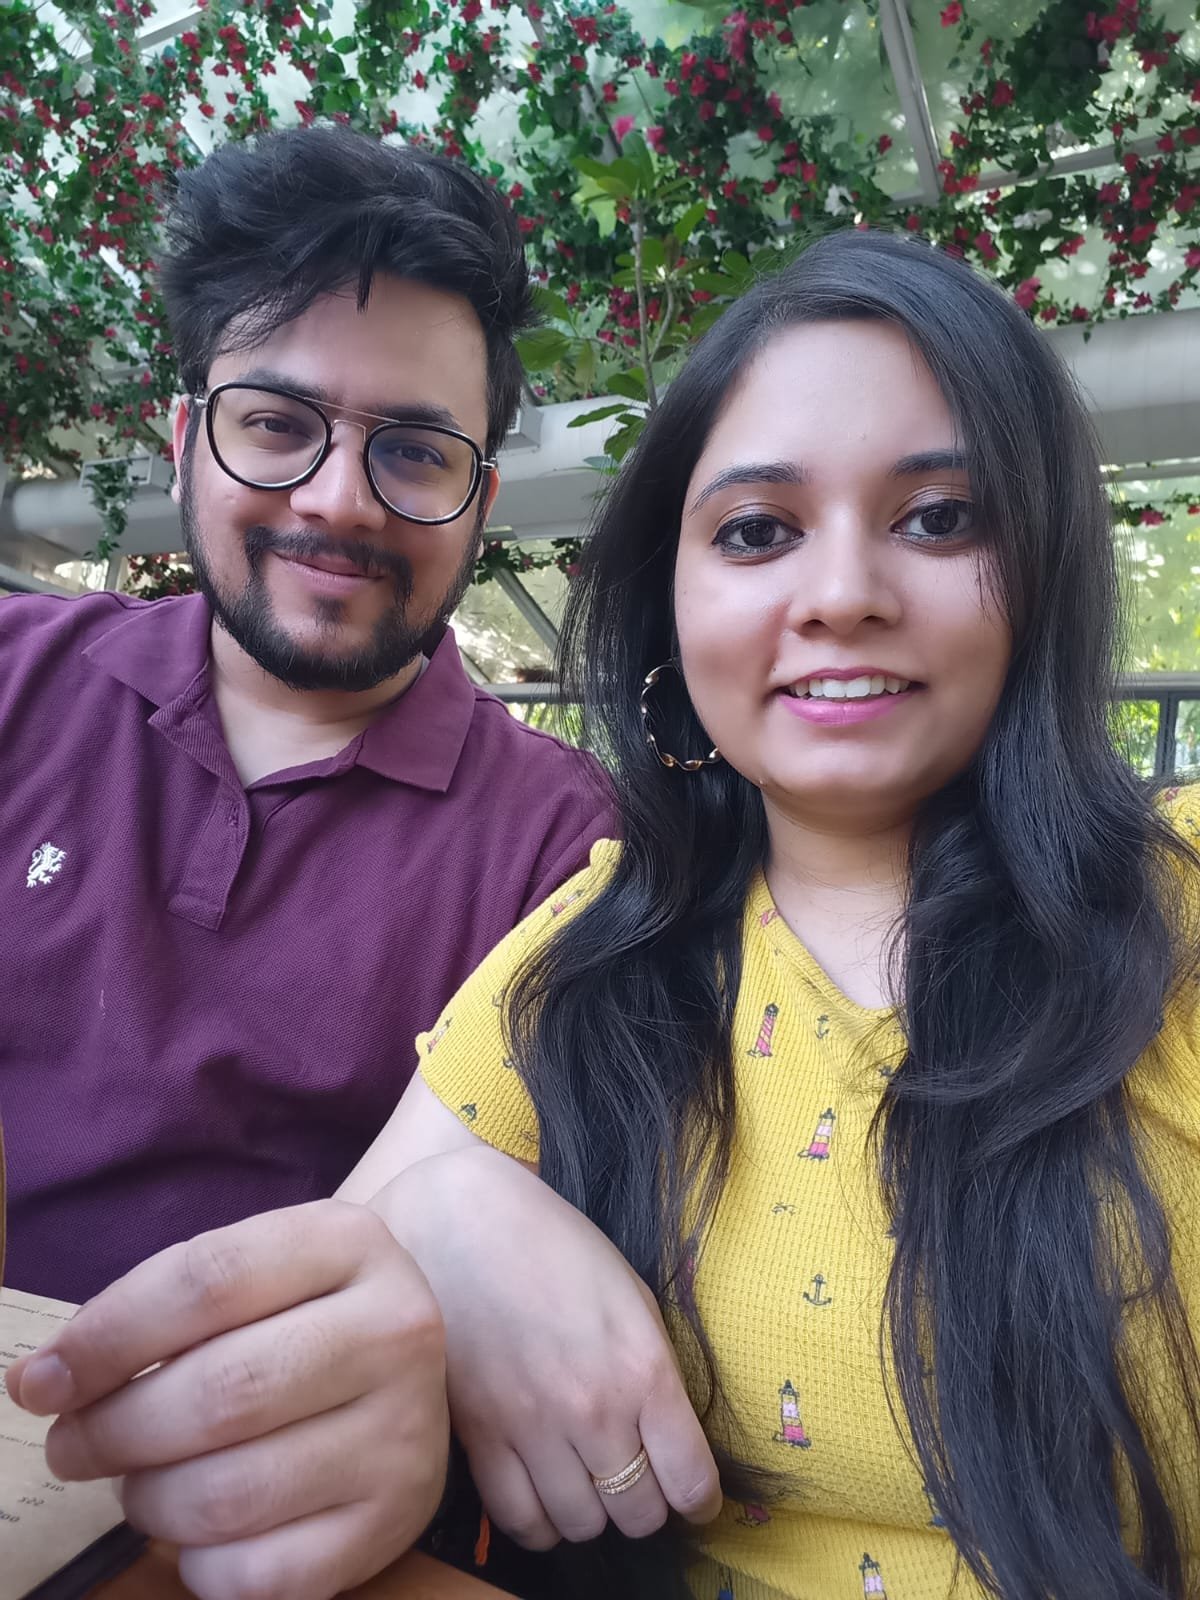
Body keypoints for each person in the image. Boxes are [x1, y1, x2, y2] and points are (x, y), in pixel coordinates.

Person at [13, 229, 1200, 1600]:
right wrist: (442, 1220)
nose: (840, 596)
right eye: (756, 531)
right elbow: (317, 1324)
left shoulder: (1171, 897)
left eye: (939, 517)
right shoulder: (607, 941)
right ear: (671, 606)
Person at [0, 126, 611, 1598]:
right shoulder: (16, 678)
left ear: (480, 496)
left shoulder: (567, 846)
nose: (340, 498)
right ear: (184, 435)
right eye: (278, 423)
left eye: (414, 450)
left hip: (272, 1547)